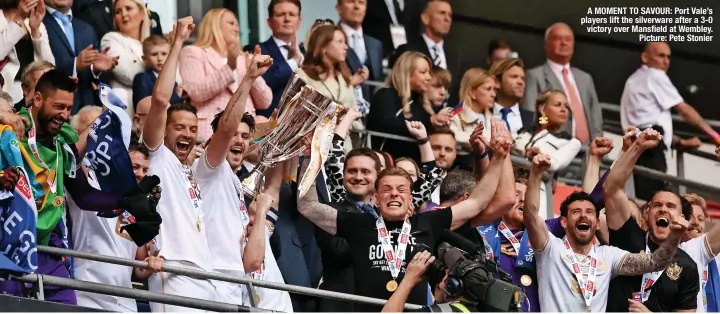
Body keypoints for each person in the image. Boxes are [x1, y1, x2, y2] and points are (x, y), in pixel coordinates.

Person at [298, 120, 512, 311]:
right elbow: (307, 206)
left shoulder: (428, 222)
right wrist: (308, 157)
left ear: (411, 199)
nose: (394, 194)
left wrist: (499, 158)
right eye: (387, 189)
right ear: (376, 199)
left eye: (401, 190)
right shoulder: (358, 223)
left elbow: (477, 202)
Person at [525, 153, 688, 312]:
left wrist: (674, 236)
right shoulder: (550, 248)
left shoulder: (609, 256)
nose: (583, 215)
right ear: (564, 222)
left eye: (589, 212)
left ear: (597, 224)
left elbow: (654, 263)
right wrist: (535, 173)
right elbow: (531, 215)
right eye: (576, 212)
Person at [140, 16, 221, 312]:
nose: (186, 133)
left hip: (205, 275)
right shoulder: (159, 157)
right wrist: (177, 43)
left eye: (192, 128)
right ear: (164, 130)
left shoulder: (192, 170)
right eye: (179, 127)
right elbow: (160, 100)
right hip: (172, 271)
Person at [604, 128, 701, 312]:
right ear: (646, 214)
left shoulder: (688, 266)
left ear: (682, 218)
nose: (663, 208)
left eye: (671, 207)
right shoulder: (628, 236)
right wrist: (637, 147)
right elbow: (612, 188)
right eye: (657, 205)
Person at [619, 42, 720, 201]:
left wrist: (679, 142)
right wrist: (714, 136)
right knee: (657, 200)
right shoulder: (655, 75)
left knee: (650, 200)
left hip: (638, 147)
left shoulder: (634, 80)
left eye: (668, 57)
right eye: (661, 55)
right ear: (645, 57)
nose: (666, 61)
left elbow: (645, 121)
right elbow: (684, 110)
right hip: (650, 150)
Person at [180, 8, 272, 140]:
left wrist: (253, 74)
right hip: (211, 131)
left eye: (237, 25)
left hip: (244, 135)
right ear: (214, 25)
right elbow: (196, 91)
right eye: (231, 23)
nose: (237, 28)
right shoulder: (193, 52)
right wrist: (229, 67)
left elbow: (265, 102)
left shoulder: (244, 59)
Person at [326, 107, 442, 209]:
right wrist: (348, 117)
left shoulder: (393, 204)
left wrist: (422, 139)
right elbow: (334, 158)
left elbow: (431, 177)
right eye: (353, 170)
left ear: (379, 175)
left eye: (366, 171)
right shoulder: (342, 196)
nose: (358, 177)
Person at [523, 23, 601, 144]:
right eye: (557, 38)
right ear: (546, 45)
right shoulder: (535, 76)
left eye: (568, 39)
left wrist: (597, 142)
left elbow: (595, 115)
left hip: (588, 150)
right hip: (554, 149)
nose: (564, 43)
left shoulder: (585, 78)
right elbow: (530, 115)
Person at [366, 51, 447, 163]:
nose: (429, 77)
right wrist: (429, 122)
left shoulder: (424, 104)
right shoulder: (386, 95)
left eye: (429, 72)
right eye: (423, 72)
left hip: (416, 167)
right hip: (388, 164)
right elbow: (384, 124)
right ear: (407, 74)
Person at [513, 90, 582, 219]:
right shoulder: (525, 131)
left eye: (566, 106)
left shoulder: (572, 142)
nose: (563, 110)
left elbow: (556, 162)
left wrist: (539, 156)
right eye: (557, 105)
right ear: (542, 109)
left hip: (539, 191)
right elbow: (513, 146)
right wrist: (525, 152)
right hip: (511, 186)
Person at [43, 0, 118, 112]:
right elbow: (39, 66)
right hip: (56, 107)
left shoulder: (86, 28)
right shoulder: (37, 23)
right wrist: (75, 64)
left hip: (88, 108)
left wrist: (95, 69)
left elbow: (92, 74)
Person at [295, 24, 358, 149]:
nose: (345, 47)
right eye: (340, 42)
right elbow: (296, 114)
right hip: (313, 147)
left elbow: (354, 111)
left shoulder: (344, 78)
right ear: (323, 46)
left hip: (343, 147)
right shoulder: (303, 75)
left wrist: (347, 123)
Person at [253, 0, 304, 117]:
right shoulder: (258, 50)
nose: (287, 19)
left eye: (292, 14)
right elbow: (265, 82)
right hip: (270, 125)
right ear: (269, 22)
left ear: (299, 21)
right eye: (281, 15)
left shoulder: (307, 53)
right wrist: (294, 61)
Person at [100, 0, 151, 115]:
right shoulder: (110, 39)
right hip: (126, 115)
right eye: (118, 11)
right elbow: (130, 74)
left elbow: (176, 80)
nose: (123, 14)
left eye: (128, 8)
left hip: (152, 115)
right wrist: (160, 68)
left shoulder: (150, 43)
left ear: (142, 14)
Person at [0, 0, 54, 104]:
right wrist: (19, 19)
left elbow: (49, 66)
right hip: (5, 92)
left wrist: (35, 30)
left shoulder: (36, 23)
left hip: (33, 92)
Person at [132, 35, 183, 133]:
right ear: (145, 59)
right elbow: (144, 107)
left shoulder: (173, 81)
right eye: (154, 54)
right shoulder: (142, 78)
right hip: (151, 129)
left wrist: (179, 96)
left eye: (164, 54)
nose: (160, 58)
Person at [679, 193, 720, 312]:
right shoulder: (676, 253)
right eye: (690, 217)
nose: (696, 222)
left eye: (701, 219)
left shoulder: (715, 256)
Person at [449, 67, 496, 170]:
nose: (493, 94)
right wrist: (488, 141)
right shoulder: (454, 114)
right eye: (488, 89)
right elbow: (451, 138)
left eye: (494, 89)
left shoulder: (494, 118)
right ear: (472, 92)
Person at [336, 0, 384, 101]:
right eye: (351, 1)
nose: (357, 6)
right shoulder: (329, 40)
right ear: (338, 8)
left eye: (361, 2)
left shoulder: (375, 44)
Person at [488, 58, 534, 135]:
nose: (520, 82)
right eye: (514, 77)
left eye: (523, 79)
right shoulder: (480, 115)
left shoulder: (533, 119)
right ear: (497, 82)